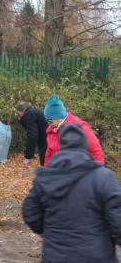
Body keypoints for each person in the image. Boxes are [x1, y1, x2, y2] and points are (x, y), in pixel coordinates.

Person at [22, 122, 121, 263]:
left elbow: (30, 213)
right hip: (97, 256)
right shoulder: (103, 178)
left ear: (61, 146)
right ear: (85, 146)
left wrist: (51, 229)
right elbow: (118, 219)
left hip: (55, 256)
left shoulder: (45, 179)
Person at [43, 94, 104, 166]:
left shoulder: (81, 128)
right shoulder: (52, 131)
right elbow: (49, 153)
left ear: (58, 117)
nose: (48, 124)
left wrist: (97, 172)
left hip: (82, 172)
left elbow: (96, 151)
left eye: (49, 121)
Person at [17, 101, 48, 167]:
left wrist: (28, 157)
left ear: (19, 112)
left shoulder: (29, 115)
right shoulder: (37, 112)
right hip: (52, 142)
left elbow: (32, 136)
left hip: (47, 145)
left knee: (46, 169)